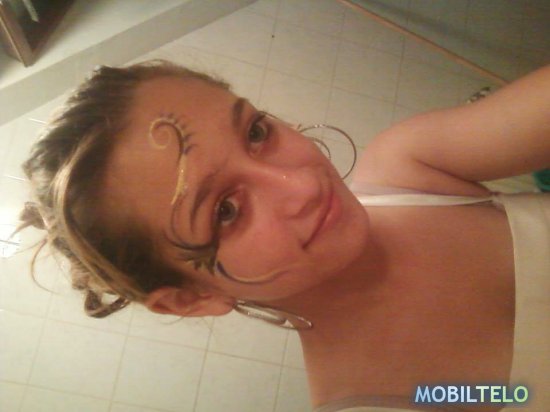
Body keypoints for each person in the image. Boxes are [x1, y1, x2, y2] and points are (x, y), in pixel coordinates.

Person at [18, 60, 549, 411]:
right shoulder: (395, 399)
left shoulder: (410, 168)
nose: (303, 184)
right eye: (226, 210)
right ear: (190, 297)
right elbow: (520, 396)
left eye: (256, 132)